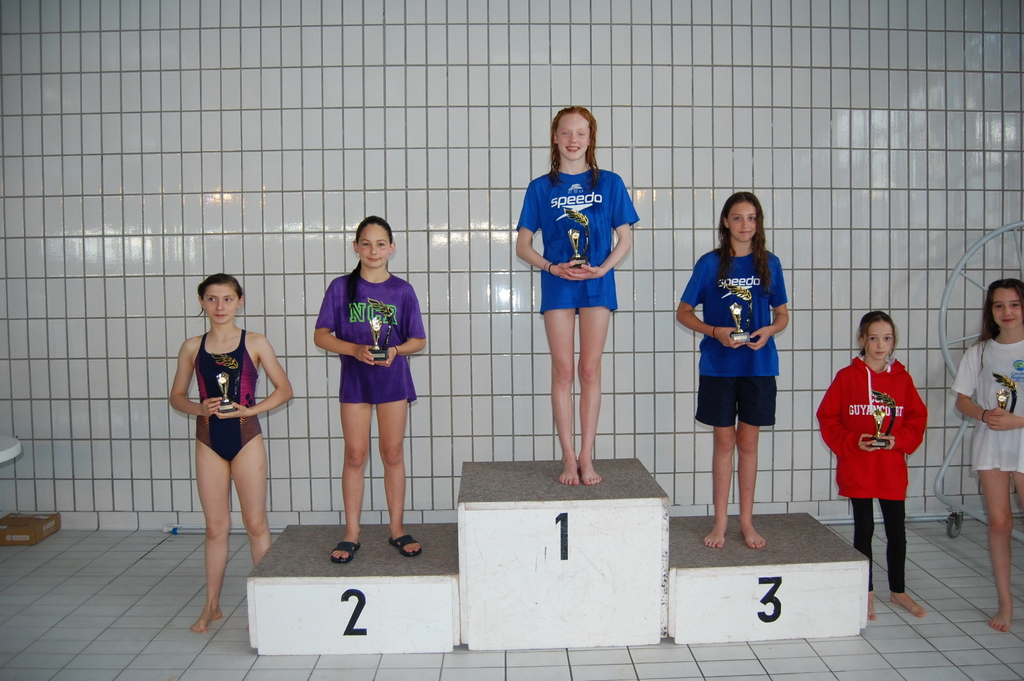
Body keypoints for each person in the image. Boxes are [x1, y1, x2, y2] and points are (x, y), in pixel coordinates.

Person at [515, 105, 639, 486]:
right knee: (564, 370)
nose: (573, 140)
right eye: (566, 133)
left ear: (590, 138)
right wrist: (552, 267)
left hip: (597, 282)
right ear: (555, 138)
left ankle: (587, 455)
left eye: (580, 133)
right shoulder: (540, 188)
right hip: (559, 282)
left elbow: (625, 238)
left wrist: (603, 268)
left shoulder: (610, 183)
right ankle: (568, 456)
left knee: (589, 369)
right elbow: (522, 245)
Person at [169, 273, 293, 633]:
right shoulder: (192, 347)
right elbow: (176, 396)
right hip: (209, 440)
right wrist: (198, 408)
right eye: (212, 299)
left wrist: (250, 410)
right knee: (215, 527)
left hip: (246, 438)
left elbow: (284, 390)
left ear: (240, 302)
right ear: (201, 303)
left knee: (256, 524)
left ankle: (270, 607)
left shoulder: (255, 342)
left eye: (227, 299)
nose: (219, 306)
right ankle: (211, 606)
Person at [676, 192, 789, 548]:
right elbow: (683, 312)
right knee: (724, 442)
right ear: (725, 222)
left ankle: (746, 521)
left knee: (749, 443)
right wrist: (715, 332)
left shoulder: (770, 263)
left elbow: (783, 315)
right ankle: (721, 521)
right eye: (737, 217)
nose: (745, 225)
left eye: (751, 218)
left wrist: (769, 330)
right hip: (718, 366)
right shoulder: (710, 264)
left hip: (758, 365)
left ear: (759, 223)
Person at [314, 216, 427, 563]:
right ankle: (352, 532)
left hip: (393, 381)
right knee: (355, 455)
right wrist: (353, 349)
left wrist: (394, 350)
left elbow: (418, 340)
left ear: (392, 248)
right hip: (355, 381)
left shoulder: (402, 290)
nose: (373, 251)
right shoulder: (340, 288)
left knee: (392, 454)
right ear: (356, 247)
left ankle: (397, 528)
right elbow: (321, 335)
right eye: (366, 244)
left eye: (380, 244)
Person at [816, 311, 928, 621]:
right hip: (859, 467)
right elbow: (827, 417)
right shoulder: (847, 377)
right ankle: (865, 591)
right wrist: (853, 441)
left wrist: (897, 440)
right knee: (864, 529)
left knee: (897, 532)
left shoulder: (902, 379)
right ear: (862, 340)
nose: (880, 345)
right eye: (874, 338)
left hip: (890, 469)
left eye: (887, 338)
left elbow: (917, 418)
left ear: (894, 342)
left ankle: (898, 589)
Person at [952, 278, 1024, 632]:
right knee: (999, 522)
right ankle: (1005, 602)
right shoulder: (979, 352)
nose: (1006, 312)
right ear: (990, 311)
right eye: (999, 305)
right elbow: (962, 400)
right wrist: (984, 415)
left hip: (1022, 437)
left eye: (1014, 304)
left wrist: (1018, 421)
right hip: (991, 440)